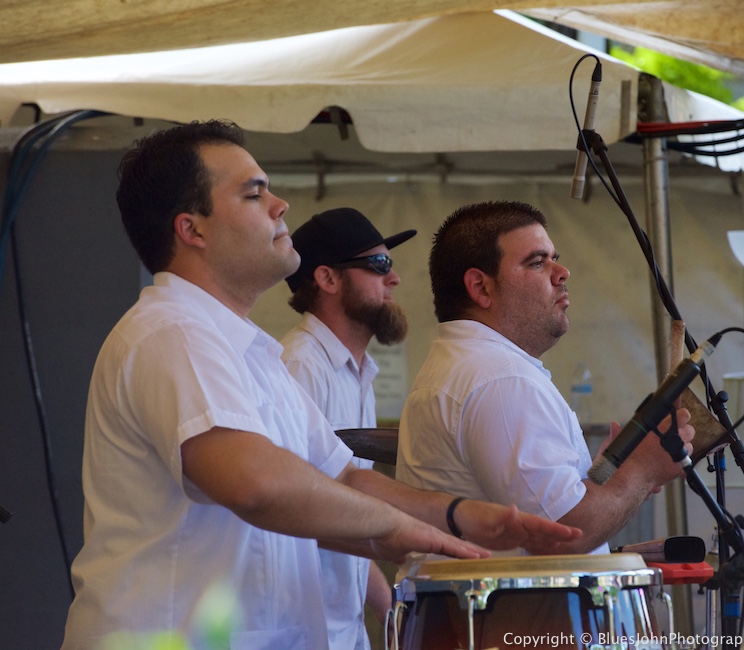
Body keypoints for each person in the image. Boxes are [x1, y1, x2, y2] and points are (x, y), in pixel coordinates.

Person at [61, 122, 581, 650]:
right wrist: (409, 532)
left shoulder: (248, 351)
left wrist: (456, 514)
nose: (280, 204)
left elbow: (343, 478)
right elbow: (256, 483)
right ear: (192, 229)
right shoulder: (174, 332)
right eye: (254, 193)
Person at [395, 200, 695, 555]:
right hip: (516, 612)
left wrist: (614, 476)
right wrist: (643, 469)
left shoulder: (478, 367)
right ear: (480, 287)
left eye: (555, 257)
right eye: (537, 262)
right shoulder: (499, 380)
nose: (562, 272)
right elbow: (565, 534)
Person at [281, 207, 414, 650]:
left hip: (342, 626)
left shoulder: (357, 370)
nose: (392, 278)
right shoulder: (300, 365)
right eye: (378, 265)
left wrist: (388, 604)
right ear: (328, 279)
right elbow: (298, 510)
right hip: (303, 628)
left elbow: (344, 504)